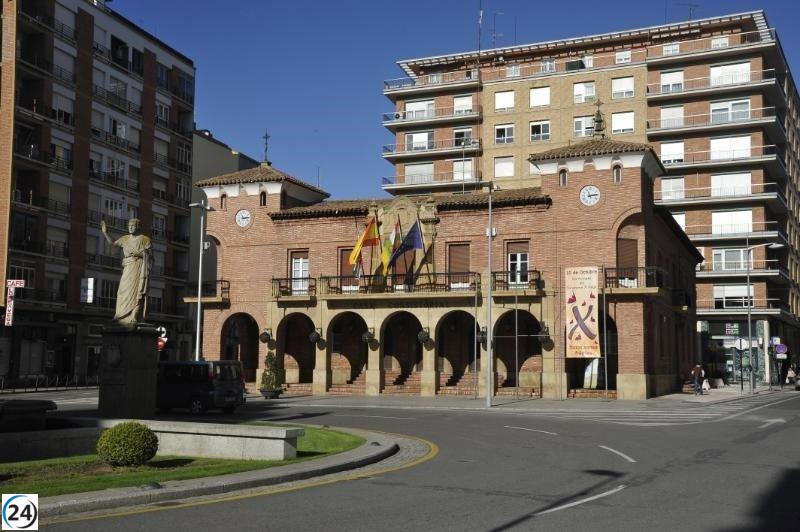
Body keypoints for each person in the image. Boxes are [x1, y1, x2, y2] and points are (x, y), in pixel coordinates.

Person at [101, 218, 153, 326]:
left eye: (133, 226)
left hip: (138, 267)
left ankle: (134, 316)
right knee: (121, 291)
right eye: (129, 226)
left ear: (138, 227)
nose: (130, 228)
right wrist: (105, 232)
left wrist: (140, 253)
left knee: (137, 291)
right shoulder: (125, 239)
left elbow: (150, 255)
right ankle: (119, 315)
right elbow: (113, 243)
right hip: (128, 267)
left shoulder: (145, 239)